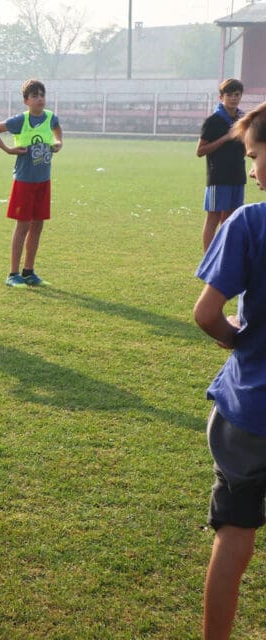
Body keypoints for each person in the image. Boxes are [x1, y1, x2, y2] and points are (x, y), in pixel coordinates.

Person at [195, 101, 266, 640]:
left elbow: (207, 313)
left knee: (235, 529)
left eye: (254, 154)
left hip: (250, 408)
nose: (252, 167)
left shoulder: (250, 220)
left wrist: (239, 340)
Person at [0, 79, 63, 288]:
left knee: (38, 225)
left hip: (43, 181)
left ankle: (29, 272)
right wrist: (8, 149)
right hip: (25, 181)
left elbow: (57, 130)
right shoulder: (20, 120)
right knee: (23, 225)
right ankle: (13, 273)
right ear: (26, 100)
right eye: (35, 96)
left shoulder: (50, 118)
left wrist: (58, 143)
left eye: (42, 95)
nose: (40, 99)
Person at [197, 78, 246, 253]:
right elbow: (200, 150)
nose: (233, 98)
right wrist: (225, 138)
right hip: (219, 177)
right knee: (213, 217)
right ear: (221, 97)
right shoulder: (214, 121)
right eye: (229, 95)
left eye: (237, 94)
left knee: (231, 219)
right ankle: (208, 260)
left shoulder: (242, 119)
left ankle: (224, 257)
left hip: (238, 176)